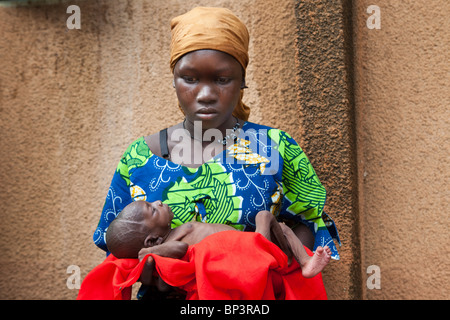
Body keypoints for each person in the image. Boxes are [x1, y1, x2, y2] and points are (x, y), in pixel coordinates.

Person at [93, 6, 340, 299]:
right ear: (173, 80)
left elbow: (310, 221)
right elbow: (117, 246)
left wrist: (272, 271)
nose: (206, 93)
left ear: (243, 81)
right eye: (190, 78)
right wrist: (149, 269)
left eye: (222, 79)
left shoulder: (275, 147)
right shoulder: (139, 159)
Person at [106, 200, 332, 280]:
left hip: (250, 245)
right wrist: (153, 253)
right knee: (264, 216)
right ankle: (298, 262)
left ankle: (304, 263)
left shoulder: (173, 231)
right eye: (153, 210)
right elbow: (181, 248)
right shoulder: (171, 242)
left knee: (281, 227)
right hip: (250, 254)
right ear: (151, 240)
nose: (159, 202)